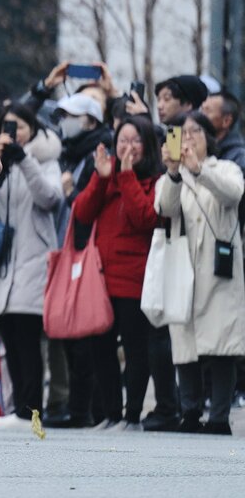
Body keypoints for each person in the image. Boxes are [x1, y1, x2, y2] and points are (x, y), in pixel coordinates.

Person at [0, 103, 63, 429]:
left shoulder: (45, 160)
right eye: (8, 126)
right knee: (9, 335)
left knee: (27, 337)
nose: (13, 132)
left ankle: (30, 411)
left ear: (32, 130)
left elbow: (50, 198)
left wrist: (24, 160)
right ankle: (19, 408)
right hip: (2, 265)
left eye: (20, 126)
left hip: (33, 260)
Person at [71, 115, 168, 429]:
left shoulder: (157, 180)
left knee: (136, 349)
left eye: (135, 141)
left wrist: (126, 176)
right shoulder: (106, 176)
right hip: (102, 276)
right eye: (122, 141)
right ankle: (112, 414)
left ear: (147, 145)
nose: (128, 147)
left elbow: (145, 217)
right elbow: (82, 213)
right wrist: (100, 179)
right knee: (101, 348)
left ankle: (132, 415)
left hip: (136, 278)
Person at [154, 112, 245, 434]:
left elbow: (232, 194)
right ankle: (190, 411)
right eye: (181, 133)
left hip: (218, 271)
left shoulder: (225, 168)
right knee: (185, 341)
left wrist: (198, 170)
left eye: (195, 132)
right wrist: (175, 171)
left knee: (222, 344)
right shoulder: (171, 176)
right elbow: (164, 208)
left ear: (209, 137)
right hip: (184, 269)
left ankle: (219, 417)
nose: (188, 138)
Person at [201, 91, 245, 175]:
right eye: (201, 109)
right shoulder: (199, 149)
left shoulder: (238, 157)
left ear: (226, 121)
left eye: (207, 111)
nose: (199, 116)